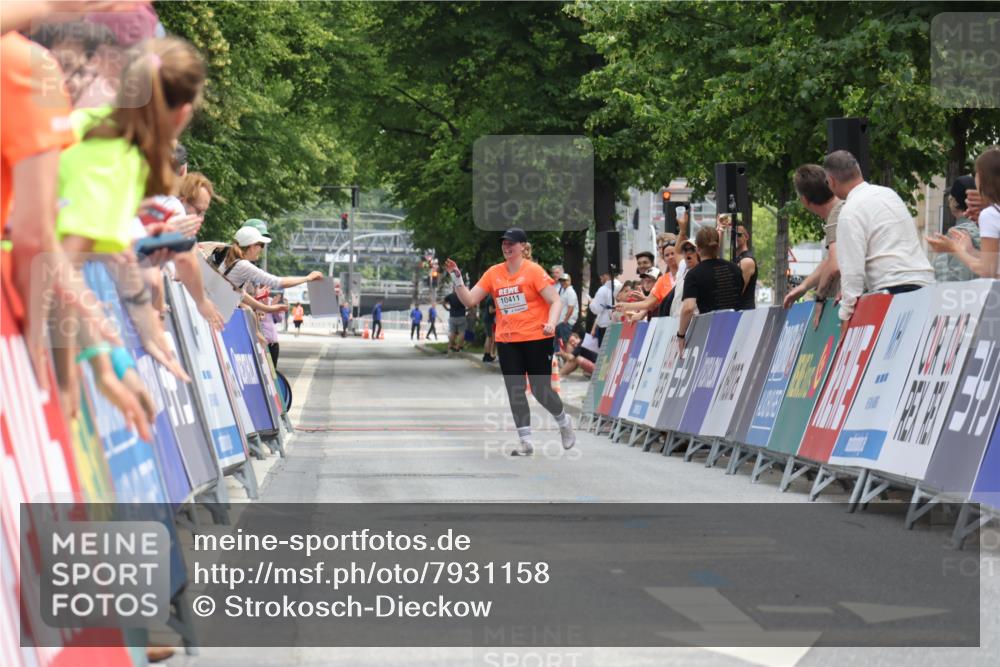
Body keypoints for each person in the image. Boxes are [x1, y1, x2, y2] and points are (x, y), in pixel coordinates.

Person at [445, 227, 575, 456]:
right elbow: (470, 300)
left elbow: (555, 301)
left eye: (511, 243)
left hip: (537, 337)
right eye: (504, 243)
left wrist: (552, 324)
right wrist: (457, 278)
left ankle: (564, 422)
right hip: (507, 339)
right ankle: (525, 442)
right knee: (515, 389)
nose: (506, 247)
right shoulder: (494, 273)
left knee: (540, 389)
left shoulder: (533, 271)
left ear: (523, 247)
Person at [823, 150, 934, 329]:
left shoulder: (849, 212)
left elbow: (852, 271)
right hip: (925, 285)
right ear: (858, 171)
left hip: (892, 291)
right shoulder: (889, 194)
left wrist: (845, 316)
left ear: (832, 181)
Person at [928, 148, 1000, 279]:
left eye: (976, 173)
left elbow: (988, 270)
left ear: (983, 177)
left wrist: (955, 249)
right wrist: (971, 251)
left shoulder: (990, 215)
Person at [785, 164, 843, 308]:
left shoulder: (837, 215)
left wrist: (819, 300)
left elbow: (834, 265)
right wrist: (803, 286)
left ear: (804, 200)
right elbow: (831, 260)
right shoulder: (843, 207)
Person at [676, 227, 743, 349]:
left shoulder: (693, 275)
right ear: (718, 246)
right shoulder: (735, 269)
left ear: (698, 249)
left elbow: (688, 308)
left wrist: (681, 335)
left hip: (711, 334)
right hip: (737, 331)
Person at [926, 175, 981, 282]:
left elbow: (956, 278)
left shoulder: (958, 234)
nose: (948, 202)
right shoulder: (986, 230)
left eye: (950, 198)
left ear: (955, 202)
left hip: (957, 295)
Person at [588, 271, 619, 346]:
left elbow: (596, 309)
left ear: (606, 275)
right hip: (618, 323)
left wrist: (591, 302)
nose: (600, 279)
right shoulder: (620, 285)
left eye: (601, 277)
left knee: (605, 353)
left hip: (605, 325)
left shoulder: (603, 289)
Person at [258, 290, 283, 366]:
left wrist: (274, 308)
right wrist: (267, 308)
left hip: (273, 343)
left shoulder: (271, 301)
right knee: (265, 368)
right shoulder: (255, 301)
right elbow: (259, 318)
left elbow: (279, 319)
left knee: (273, 369)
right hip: (263, 343)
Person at [556, 273, 578, 348]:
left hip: (565, 322)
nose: (563, 283)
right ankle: (564, 358)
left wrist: (565, 320)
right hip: (561, 322)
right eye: (561, 281)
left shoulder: (570, 292)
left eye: (565, 281)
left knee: (566, 342)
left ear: (569, 281)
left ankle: (569, 358)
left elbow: (571, 307)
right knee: (561, 342)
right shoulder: (564, 291)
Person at [482, 293, 497, 362]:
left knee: (488, 338)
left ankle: (486, 355)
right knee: (489, 338)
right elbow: (491, 311)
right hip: (489, 320)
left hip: (487, 320)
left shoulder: (489, 298)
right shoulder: (491, 298)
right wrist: (499, 308)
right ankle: (487, 355)